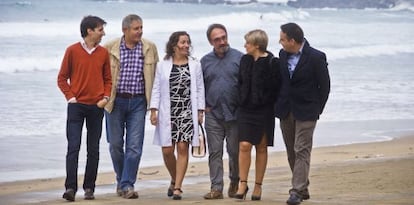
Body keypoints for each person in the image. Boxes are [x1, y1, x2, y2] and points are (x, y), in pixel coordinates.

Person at [103, 14, 159, 199]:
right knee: (115, 145)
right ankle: (122, 179)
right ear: (125, 30)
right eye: (136, 28)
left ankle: (127, 184)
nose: (140, 31)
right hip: (115, 101)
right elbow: (100, 75)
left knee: (134, 147)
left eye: (141, 27)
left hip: (138, 102)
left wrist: (154, 107)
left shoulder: (149, 47)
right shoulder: (109, 48)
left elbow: (156, 79)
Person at [57, 15, 112, 202]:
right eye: (100, 29)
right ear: (89, 31)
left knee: (93, 149)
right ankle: (70, 188)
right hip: (76, 107)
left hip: (96, 107)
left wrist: (105, 97)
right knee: (73, 147)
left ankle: (89, 188)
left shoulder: (103, 53)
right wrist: (71, 97)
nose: (103, 33)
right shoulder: (72, 50)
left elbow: (108, 79)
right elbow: (62, 78)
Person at [275, 22, 330, 205]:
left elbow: (325, 87)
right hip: (286, 110)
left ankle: (296, 191)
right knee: (292, 151)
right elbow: (281, 82)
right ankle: (303, 187)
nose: (280, 42)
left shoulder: (316, 57)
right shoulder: (282, 54)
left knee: (301, 149)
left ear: (292, 40)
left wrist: (317, 109)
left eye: (282, 39)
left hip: (307, 110)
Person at [149, 31, 205, 200]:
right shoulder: (162, 65)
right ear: (174, 45)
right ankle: (174, 178)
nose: (186, 45)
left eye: (188, 42)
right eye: (182, 42)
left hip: (187, 111)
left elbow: (200, 88)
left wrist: (200, 111)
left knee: (182, 147)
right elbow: (157, 88)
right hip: (168, 111)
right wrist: (153, 110)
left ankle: (178, 187)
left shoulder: (195, 65)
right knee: (167, 150)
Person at [234, 29, 280, 201]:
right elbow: (239, 82)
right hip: (245, 109)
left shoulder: (272, 62)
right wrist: (240, 98)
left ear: (257, 45)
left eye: (247, 43)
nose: (245, 45)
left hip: (264, 110)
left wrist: (266, 101)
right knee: (244, 145)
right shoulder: (244, 60)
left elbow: (276, 87)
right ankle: (242, 183)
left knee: (261, 147)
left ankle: (258, 185)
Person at [200, 23, 243, 199]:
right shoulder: (204, 61)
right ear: (211, 42)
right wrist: (203, 107)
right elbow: (198, 87)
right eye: (217, 39)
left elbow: (247, 85)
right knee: (215, 152)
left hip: (235, 114)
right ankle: (216, 187)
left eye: (224, 37)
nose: (222, 41)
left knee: (234, 152)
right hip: (213, 114)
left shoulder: (240, 58)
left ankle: (235, 181)